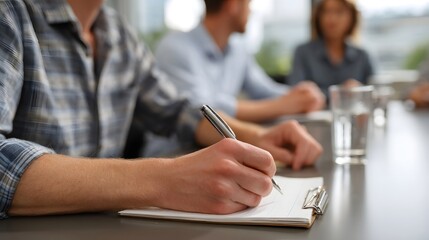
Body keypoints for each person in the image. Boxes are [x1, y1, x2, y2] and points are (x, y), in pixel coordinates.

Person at [0, 0, 323, 219]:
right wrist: (165, 179)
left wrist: (257, 136)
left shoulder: (115, 31)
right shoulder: (10, 14)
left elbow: (177, 110)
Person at [144, 0, 326, 156]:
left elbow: (265, 90)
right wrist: (284, 105)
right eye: (249, 3)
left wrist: (303, 96)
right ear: (233, 5)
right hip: (173, 155)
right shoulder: (175, 47)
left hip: (220, 149)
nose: (251, 10)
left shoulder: (238, 49)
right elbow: (202, 112)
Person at [289, 0, 374, 97]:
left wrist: (359, 90)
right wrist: (342, 93)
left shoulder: (362, 56)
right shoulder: (303, 53)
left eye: (339, 12)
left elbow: (375, 91)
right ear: (318, 16)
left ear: (352, 17)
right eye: (326, 12)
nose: (332, 19)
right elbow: (296, 93)